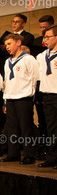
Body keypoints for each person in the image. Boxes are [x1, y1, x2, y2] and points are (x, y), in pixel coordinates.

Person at [0, 34, 40, 164]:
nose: (7, 47)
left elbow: (35, 79)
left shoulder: (28, 59)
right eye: (6, 45)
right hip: (11, 98)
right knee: (12, 128)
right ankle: (13, 154)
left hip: (24, 98)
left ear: (18, 43)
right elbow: (6, 82)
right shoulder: (8, 61)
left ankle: (29, 155)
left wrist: (33, 97)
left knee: (26, 128)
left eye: (9, 44)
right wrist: (5, 100)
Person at [37, 25, 57, 168]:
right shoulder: (41, 56)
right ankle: (52, 157)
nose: (45, 40)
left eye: (48, 37)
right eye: (44, 37)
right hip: (48, 96)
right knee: (51, 128)